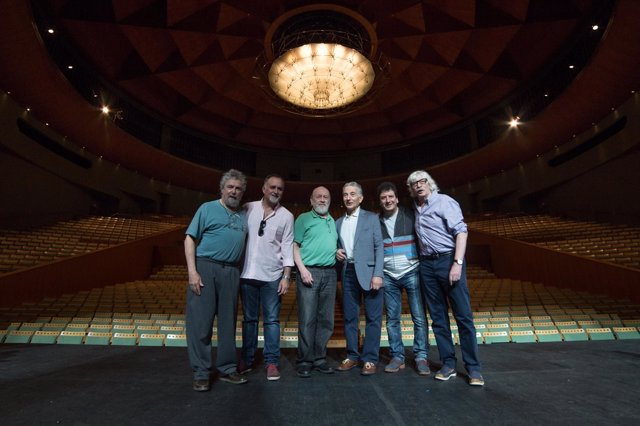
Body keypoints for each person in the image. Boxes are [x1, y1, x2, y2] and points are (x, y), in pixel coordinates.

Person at [407, 170, 484, 386]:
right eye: (414, 184)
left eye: (422, 181)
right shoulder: (416, 208)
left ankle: (474, 369)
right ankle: (448, 363)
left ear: (430, 183)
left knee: (463, 317)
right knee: (438, 319)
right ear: (411, 189)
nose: (419, 185)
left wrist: (457, 263)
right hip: (426, 264)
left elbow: (461, 232)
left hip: (448, 259)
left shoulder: (444, 201)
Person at [184, 169, 249, 391]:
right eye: (230, 187)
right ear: (222, 189)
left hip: (231, 272)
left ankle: (228, 369)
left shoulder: (243, 215)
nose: (234, 191)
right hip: (205, 267)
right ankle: (201, 372)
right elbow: (189, 239)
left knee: (228, 325)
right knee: (200, 324)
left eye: (239, 188)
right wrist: (193, 272)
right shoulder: (207, 208)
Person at [238, 175, 294, 381]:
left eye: (280, 188)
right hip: (247, 274)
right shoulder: (247, 208)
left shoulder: (287, 216)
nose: (276, 191)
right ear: (263, 188)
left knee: (271, 321)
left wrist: (286, 276)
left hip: (272, 276)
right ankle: (247, 358)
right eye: (272, 187)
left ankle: (271, 362)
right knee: (249, 320)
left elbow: (287, 247)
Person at [376, 182, 430, 375]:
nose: (388, 200)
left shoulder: (410, 214)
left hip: (412, 270)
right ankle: (397, 356)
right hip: (389, 275)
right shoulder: (376, 220)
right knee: (392, 319)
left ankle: (421, 356)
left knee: (418, 317)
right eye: (383, 198)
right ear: (380, 201)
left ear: (397, 198)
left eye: (391, 197)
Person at [335, 182, 384, 375]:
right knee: (350, 318)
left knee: (373, 318)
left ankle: (370, 359)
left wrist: (378, 274)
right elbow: (337, 247)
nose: (348, 197)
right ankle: (352, 356)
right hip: (348, 273)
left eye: (352, 194)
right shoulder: (338, 222)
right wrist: (336, 252)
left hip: (371, 273)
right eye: (345, 194)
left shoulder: (371, 218)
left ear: (360, 198)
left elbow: (379, 246)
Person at [293, 186, 339, 378]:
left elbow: (328, 245)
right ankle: (305, 360)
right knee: (307, 319)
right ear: (311, 201)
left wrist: (336, 252)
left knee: (326, 320)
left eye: (325, 197)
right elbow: (295, 247)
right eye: (318, 197)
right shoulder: (303, 219)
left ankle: (319, 358)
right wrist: (302, 270)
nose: (322, 200)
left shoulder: (332, 221)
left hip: (330, 273)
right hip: (309, 272)